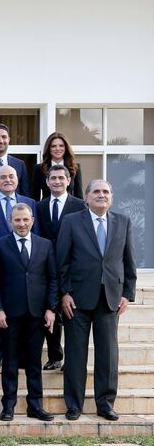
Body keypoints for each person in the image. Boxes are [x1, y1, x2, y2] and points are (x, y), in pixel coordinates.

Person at [57, 179, 137, 421]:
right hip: (77, 300)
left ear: (111, 197)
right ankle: (74, 405)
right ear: (87, 197)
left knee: (108, 355)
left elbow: (128, 260)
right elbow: (62, 260)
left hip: (110, 299)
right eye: (97, 192)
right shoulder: (72, 221)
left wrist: (127, 294)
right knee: (75, 355)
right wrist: (64, 293)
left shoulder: (122, 222)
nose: (101, 195)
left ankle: (105, 404)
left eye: (106, 192)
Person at [0, 203, 57, 422]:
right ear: (11, 221)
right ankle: (8, 405)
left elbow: (53, 279)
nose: (21, 223)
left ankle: (35, 405)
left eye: (25, 219)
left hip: (37, 314)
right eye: (17, 220)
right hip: (9, 314)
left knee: (34, 362)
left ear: (32, 221)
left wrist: (50, 308)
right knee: (9, 362)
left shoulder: (45, 245)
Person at [0, 164, 38, 371]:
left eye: (11, 176)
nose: (8, 180)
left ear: (18, 179)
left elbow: (34, 236)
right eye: (3, 177)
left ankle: (18, 355)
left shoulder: (29, 203)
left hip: (21, 265)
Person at [35, 164, 85, 370]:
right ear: (46, 182)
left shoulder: (80, 205)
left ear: (68, 181)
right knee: (50, 311)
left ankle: (71, 358)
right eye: (52, 178)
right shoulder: (39, 206)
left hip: (72, 266)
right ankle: (55, 356)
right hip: (46, 265)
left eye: (60, 178)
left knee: (72, 314)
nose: (56, 181)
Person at [31, 132, 83, 200]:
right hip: (46, 209)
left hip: (71, 209)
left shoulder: (75, 168)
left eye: (61, 146)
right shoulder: (39, 168)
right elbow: (35, 196)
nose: (57, 149)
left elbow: (79, 195)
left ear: (66, 148)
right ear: (49, 148)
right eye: (53, 146)